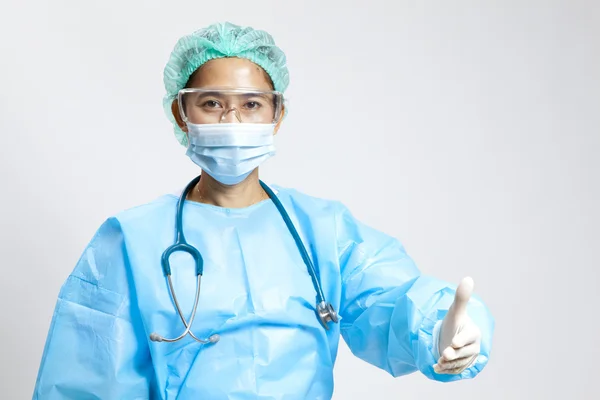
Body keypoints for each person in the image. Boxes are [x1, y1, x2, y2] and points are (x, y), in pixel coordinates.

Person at [32, 22, 494, 399]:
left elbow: (392, 303)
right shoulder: (130, 241)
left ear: (277, 115)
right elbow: (85, 383)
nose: (232, 121)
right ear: (181, 113)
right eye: (212, 104)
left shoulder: (322, 231)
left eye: (251, 105)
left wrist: (440, 330)